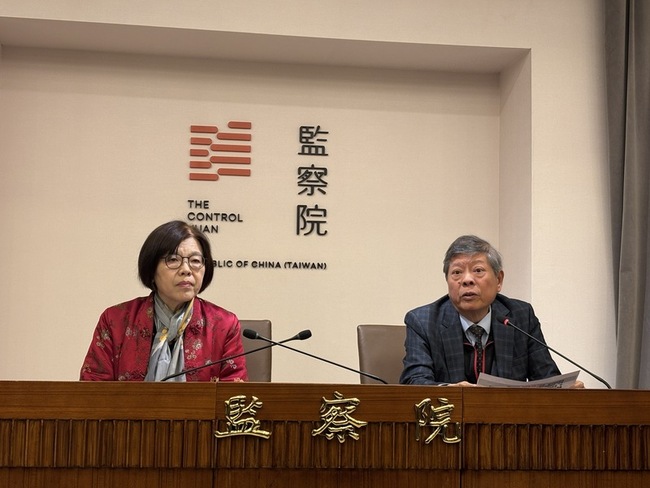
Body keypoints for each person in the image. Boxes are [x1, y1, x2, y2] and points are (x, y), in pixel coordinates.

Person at [400, 235, 584, 387]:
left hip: (508, 419)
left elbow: (546, 377)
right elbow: (414, 382)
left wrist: (565, 391)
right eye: (457, 272)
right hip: (451, 419)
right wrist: (450, 391)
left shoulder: (520, 316)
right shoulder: (423, 322)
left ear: (499, 280)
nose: (467, 280)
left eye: (478, 270)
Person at [80, 220, 248, 382]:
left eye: (195, 261)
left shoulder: (224, 324)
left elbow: (233, 394)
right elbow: (92, 389)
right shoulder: (115, 320)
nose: (186, 270)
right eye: (173, 260)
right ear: (151, 268)